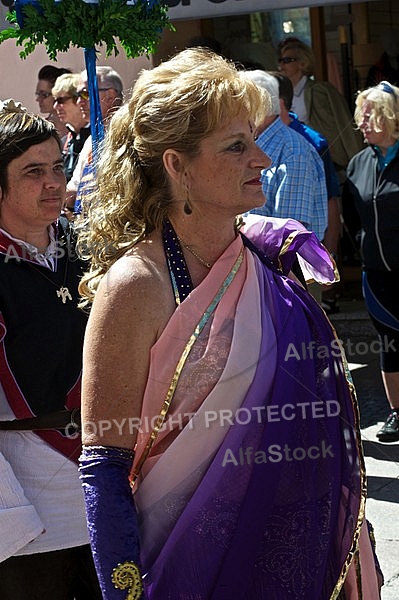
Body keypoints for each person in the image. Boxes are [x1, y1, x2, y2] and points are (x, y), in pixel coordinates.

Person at [77, 48, 381, 599]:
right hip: (191, 566)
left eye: (254, 140)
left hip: (301, 557)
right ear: (176, 165)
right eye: (237, 147)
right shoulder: (136, 286)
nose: (262, 160)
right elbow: (105, 467)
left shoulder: (268, 260)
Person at [0, 99, 101, 599]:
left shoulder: (85, 247)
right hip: (31, 512)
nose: (54, 182)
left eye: (58, 167)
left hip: (108, 480)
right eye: (33, 172)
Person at [345, 81, 399, 443]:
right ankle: (397, 413)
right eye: (360, 116)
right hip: (376, 274)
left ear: (391, 118)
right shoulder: (357, 164)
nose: (361, 123)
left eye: (369, 116)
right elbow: (353, 218)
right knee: (390, 343)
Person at [273, 70, 342, 312]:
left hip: (300, 263)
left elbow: (331, 200)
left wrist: (328, 257)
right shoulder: (256, 139)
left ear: (278, 102)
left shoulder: (309, 142)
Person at [243, 69, 328, 243]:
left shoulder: (294, 152)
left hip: (277, 267)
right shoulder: (250, 144)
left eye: (240, 103)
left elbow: (287, 237)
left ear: (261, 105)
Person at [277, 37, 363, 178]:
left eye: (287, 60)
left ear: (302, 63)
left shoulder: (321, 91)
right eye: (280, 61)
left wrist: (355, 163)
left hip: (327, 162)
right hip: (298, 162)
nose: (281, 66)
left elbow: (343, 126)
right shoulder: (283, 94)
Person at [65, 65, 123, 217]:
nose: (79, 102)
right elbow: (74, 187)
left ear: (110, 95)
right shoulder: (91, 140)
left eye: (85, 94)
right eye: (77, 96)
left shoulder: (129, 133)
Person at [52, 73, 90, 185]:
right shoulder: (64, 141)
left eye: (61, 100)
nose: (55, 107)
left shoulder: (98, 136)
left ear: (79, 100)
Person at [35, 64, 71, 138]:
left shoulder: (78, 125)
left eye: (44, 94)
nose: (38, 99)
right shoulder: (41, 128)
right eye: (38, 94)